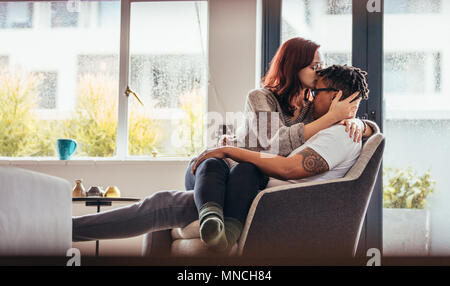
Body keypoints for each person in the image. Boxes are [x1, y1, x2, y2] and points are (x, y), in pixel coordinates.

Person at [73, 63, 375, 255]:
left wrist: (230, 150)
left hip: (265, 206)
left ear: (337, 96)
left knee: (162, 205)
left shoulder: (340, 135)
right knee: (173, 197)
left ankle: (66, 229)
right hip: (252, 194)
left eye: (316, 92)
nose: (310, 97)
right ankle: (67, 228)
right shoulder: (339, 129)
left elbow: (289, 166)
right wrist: (361, 123)